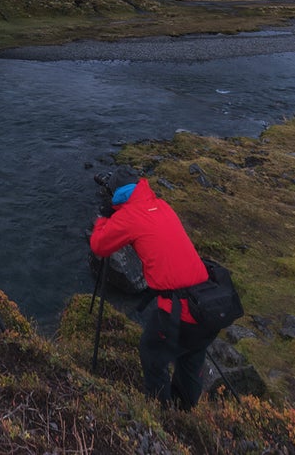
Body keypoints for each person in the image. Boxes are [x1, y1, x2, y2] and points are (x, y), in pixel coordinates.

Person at [89, 169, 219, 410]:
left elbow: (99, 245)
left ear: (117, 196)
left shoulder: (128, 216)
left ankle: (161, 413)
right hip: (207, 304)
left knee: (152, 354)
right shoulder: (161, 204)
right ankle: (185, 413)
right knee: (190, 355)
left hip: (180, 310)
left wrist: (104, 217)